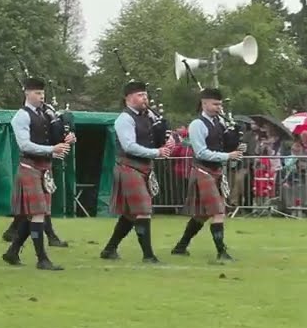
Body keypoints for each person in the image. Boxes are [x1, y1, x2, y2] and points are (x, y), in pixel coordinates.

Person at [2, 77, 71, 270]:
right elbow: (25, 145)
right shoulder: (21, 116)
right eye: (37, 93)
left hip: (44, 168)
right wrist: (52, 149)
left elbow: (54, 137)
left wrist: (67, 139)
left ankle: (12, 252)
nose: (42, 97)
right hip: (30, 167)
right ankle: (42, 259)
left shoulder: (46, 114)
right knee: (38, 213)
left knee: (33, 214)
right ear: (27, 93)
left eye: (43, 93)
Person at [101, 80, 172, 262]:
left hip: (144, 167)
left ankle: (109, 249)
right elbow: (129, 146)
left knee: (130, 214)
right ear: (128, 98)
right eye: (140, 95)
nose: (145, 98)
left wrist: (169, 141)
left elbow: (156, 138)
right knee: (143, 210)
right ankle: (148, 256)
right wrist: (157, 152)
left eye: (145, 95)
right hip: (129, 167)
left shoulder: (148, 117)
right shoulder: (124, 119)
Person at [172, 87, 242, 260]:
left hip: (216, 170)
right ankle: (221, 252)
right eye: (215, 104)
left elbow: (224, 145)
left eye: (220, 104)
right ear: (204, 104)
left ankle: (180, 247)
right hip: (203, 170)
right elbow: (201, 152)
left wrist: (235, 139)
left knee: (202, 215)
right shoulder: (197, 125)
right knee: (218, 212)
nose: (219, 107)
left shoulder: (219, 122)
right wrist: (227, 156)